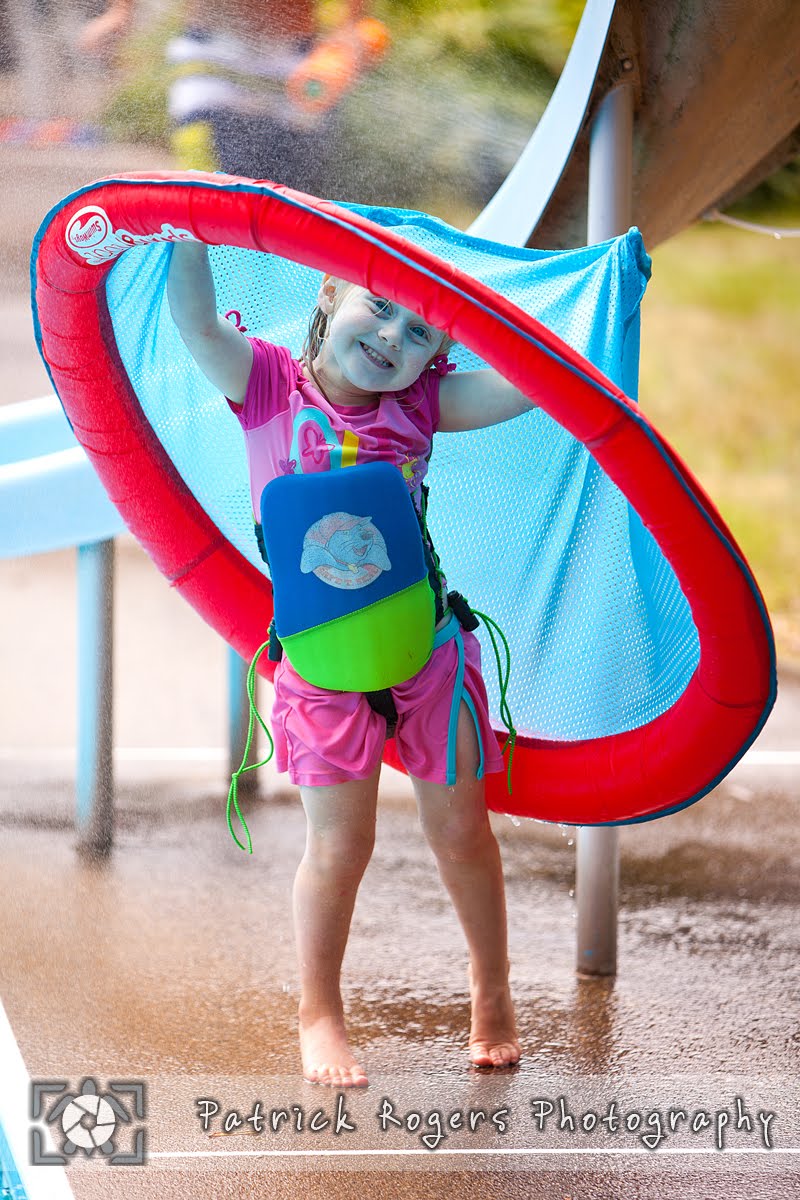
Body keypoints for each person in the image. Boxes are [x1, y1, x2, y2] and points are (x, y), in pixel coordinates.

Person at [167, 239, 537, 1087]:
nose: (392, 336)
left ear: (437, 356)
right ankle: (319, 1011)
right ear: (330, 291)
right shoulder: (265, 384)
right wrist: (186, 230)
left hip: (428, 652)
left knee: (462, 832)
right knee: (341, 846)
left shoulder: (424, 403)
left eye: (421, 331)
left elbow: (529, 386)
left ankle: (492, 991)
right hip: (324, 665)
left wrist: (592, 309)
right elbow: (196, 323)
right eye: (380, 305)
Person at [79, 0, 377, 190]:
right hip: (211, 53)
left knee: (291, 194)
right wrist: (121, 11)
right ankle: (203, 261)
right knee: (205, 182)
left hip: (294, 63)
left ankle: (273, 269)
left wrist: (351, 26)